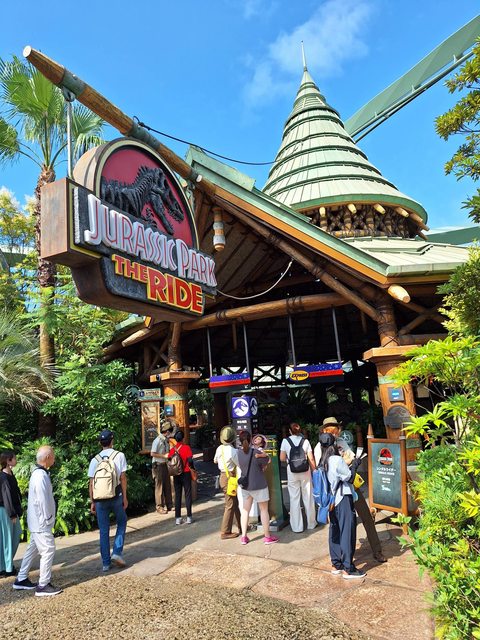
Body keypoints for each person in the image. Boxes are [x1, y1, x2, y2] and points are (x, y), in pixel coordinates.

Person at [314, 417, 387, 563]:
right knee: (337, 524)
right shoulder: (319, 447)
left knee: (366, 516)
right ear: (324, 431)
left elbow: (351, 458)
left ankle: (377, 550)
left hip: (351, 485)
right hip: (334, 491)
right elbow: (322, 468)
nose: (335, 434)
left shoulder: (341, 442)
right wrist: (343, 462)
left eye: (336, 431)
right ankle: (340, 558)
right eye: (331, 431)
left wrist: (348, 462)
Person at [13, 445, 62, 596]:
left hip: (37, 521)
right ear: (47, 457)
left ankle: (21, 579)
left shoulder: (38, 474)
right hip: (41, 522)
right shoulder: (40, 475)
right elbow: (42, 500)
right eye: (53, 455)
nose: (54, 458)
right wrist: (48, 518)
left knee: (32, 549)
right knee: (48, 549)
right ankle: (43, 585)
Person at [317, 432, 365, 579]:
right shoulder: (336, 460)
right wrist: (355, 464)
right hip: (342, 498)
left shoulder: (322, 461)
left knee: (335, 530)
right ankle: (348, 569)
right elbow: (349, 478)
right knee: (347, 532)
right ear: (333, 445)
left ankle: (336, 564)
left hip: (331, 502)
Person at [88, 429, 128, 571]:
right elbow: (123, 478)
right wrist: (125, 497)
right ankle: (117, 552)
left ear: (100, 443)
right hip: (116, 495)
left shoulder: (95, 460)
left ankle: (105, 563)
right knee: (122, 522)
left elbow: (91, 483)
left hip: (99, 499)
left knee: (103, 530)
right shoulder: (119, 456)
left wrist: (92, 501)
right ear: (112, 441)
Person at [237, 430, 278, 546]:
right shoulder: (256, 452)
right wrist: (264, 455)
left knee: (245, 510)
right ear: (251, 440)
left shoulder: (238, 453)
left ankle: (244, 537)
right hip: (259, 484)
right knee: (264, 510)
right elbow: (268, 461)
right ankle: (267, 537)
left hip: (245, 486)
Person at [279, 423, 316, 533]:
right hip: (305, 471)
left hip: (292, 471)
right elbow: (311, 458)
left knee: (294, 498)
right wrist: (314, 471)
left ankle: (297, 527)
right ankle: (311, 523)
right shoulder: (305, 441)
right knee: (308, 496)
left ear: (290, 431)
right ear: (300, 431)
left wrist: (289, 460)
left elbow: (282, 458)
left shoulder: (285, 441)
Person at [214, 426, 241, 539]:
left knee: (234, 502)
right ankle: (225, 531)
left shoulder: (219, 448)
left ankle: (241, 525)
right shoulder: (233, 451)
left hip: (223, 476)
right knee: (230, 504)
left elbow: (215, 460)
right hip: (231, 478)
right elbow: (239, 464)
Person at [164, 431, 194, 525]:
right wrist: (192, 469)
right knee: (188, 494)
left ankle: (178, 518)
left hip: (176, 474)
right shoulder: (187, 448)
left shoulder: (173, 450)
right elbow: (190, 460)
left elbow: (169, 459)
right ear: (183, 438)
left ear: (176, 440)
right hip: (186, 473)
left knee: (178, 495)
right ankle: (189, 517)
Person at [0, 450, 22, 577]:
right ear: (9, 461)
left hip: (10, 510)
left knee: (15, 535)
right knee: (7, 539)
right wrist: (12, 514)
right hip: (5, 511)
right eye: (14, 458)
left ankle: (5, 566)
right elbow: (6, 497)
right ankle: (7, 568)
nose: (16, 460)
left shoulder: (10, 474)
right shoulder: (3, 477)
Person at [151, 421, 173, 514]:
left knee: (167, 484)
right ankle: (159, 506)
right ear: (167, 431)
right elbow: (152, 453)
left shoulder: (166, 440)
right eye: (170, 431)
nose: (170, 433)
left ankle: (169, 505)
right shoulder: (157, 440)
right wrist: (163, 456)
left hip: (164, 464)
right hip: (158, 465)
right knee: (159, 486)